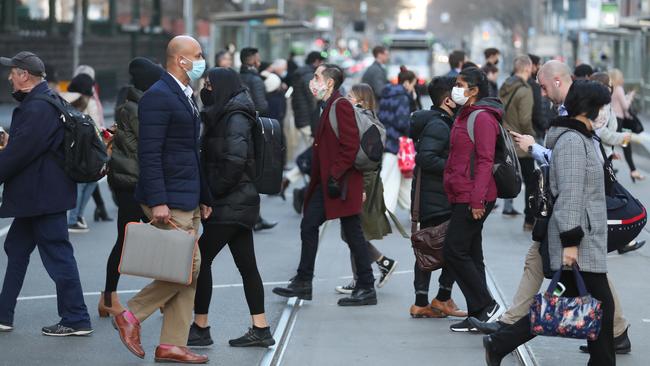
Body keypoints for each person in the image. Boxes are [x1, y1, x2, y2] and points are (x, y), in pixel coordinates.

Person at [470, 61, 632, 356]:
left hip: (583, 239)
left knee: (577, 307)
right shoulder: (572, 140)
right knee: (601, 309)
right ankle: (500, 343)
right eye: (598, 108)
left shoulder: (580, 137)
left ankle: (500, 343)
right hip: (578, 242)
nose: (601, 115)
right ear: (587, 109)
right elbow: (569, 194)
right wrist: (571, 243)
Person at [111, 35, 211, 364]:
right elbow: (149, 152)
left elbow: (189, 151)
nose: (201, 60)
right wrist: (157, 200)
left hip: (188, 195)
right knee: (189, 265)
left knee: (187, 271)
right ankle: (132, 314)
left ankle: (171, 344)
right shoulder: (159, 96)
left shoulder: (183, 94)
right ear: (181, 61)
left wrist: (204, 196)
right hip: (169, 196)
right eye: (197, 55)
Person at [0, 51, 92, 336]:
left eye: (13, 72)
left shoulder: (37, 107)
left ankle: (76, 318)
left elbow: (21, 153)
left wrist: (8, 150)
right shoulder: (48, 100)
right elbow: (34, 146)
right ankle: (4, 314)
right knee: (15, 249)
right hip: (39, 194)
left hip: (41, 197)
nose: (9, 77)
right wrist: (11, 141)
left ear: (24, 75)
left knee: (58, 255)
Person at [272, 64, 377, 306]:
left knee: (353, 235)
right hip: (330, 183)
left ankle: (366, 286)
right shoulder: (328, 105)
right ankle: (303, 280)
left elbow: (350, 145)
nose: (313, 80)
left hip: (340, 184)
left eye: (317, 77)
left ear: (329, 82)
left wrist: (335, 175)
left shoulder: (339, 105)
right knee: (311, 226)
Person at [188, 67, 276, 348]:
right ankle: (260, 328)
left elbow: (235, 161)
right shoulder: (228, 111)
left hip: (230, 201)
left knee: (199, 260)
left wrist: (212, 195)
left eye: (209, 84)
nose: (206, 88)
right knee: (247, 265)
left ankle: (201, 327)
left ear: (222, 86)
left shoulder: (235, 116)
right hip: (239, 201)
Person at [99, 57, 164, 318]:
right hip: (132, 183)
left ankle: (161, 294)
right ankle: (108, 297)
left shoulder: (138, 104)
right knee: (129, 240)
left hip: (134, 181)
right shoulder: (138, 108)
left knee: (153, 239)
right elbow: (152, 145)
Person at [443, 67, 501, 332]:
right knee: (471, 253)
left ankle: (486, 304)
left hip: (474, 196)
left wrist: (477, 200)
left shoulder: (482, 118)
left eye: (459, 84)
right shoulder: (463, 114)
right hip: (461, 193)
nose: (455, 89)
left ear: (474, 90)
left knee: (454, 250)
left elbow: (486, 160)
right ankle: (478, 313)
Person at [408, 76, 467, 319]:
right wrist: (456, 166)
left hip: (436, 196)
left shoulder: (440, 121)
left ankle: (430, 300)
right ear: (447, 100)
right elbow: (426, 157)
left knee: (431, 247)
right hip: (438, 198)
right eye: (458, 91)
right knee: (438, 247)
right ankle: (436, 299)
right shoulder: (439, 125)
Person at [334, 83, 398, 294]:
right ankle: (364, 274)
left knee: (355, 231)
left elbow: (361, 156)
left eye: (350, 96)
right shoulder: (370, 118)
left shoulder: (362, 120)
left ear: (360, 100)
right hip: (366, 180)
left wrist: (356, 184)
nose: (347, 99)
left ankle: (378, 264)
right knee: (354, 231)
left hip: (362, 180)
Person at [498, 55, 535, 230]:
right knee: (531, 181)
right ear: (528, 69)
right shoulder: (525, 91)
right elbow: (525, 119)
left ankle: (507, 207)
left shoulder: (505, 86)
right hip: (521, 142)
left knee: (508, 177)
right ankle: (529, 218)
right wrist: (531, 137)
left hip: (506, 139)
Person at [62, 73, 103, 233]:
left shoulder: (61, 98)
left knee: (81, 183)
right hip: (86, 148)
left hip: (68, 147)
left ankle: (76, 217)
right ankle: (75, 217)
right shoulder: (87, 101)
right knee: (89, 181)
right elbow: (95, 127)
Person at [74, 65, 113, 222]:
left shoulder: (84, 95)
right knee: (87, 180)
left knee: (90, 179)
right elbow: (93, 122)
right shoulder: (85, 98)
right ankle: (74, 217)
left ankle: (94, 211)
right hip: (89, 145)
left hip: (86, 144)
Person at [378, 66, 418, 213]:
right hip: (396, 144)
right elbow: (402, 122)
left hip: (386, 140)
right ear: (407, 83)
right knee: (391, 180)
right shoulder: (402, 97)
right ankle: (384, 216)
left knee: (404, 181)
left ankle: (416, 211)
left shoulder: (387, 94)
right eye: (413, 84)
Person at [610, 68, 644, 182]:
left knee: (617, 144)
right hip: (621, 121)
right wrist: (630, 97)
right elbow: (625, 106)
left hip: (614, 120)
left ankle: (632, 170)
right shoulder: (619, 88)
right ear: (618, 78)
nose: (623, 79)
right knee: (625, 145)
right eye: (621, 77)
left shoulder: (610, 88)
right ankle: (632, 171)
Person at [239, 47, 269, 116]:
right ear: (254, 61)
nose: (260, 63)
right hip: (255, 121)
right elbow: (261, 107)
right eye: (258, 60)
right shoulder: (256, 80)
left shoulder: (237, 77)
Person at [528, 54, 551, 140]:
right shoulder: (533, 86)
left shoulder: (515, 83)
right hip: (535, 132)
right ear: (533, 66)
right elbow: (537, 111)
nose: (539, 67)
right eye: (538, 65)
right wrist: (545, 126)